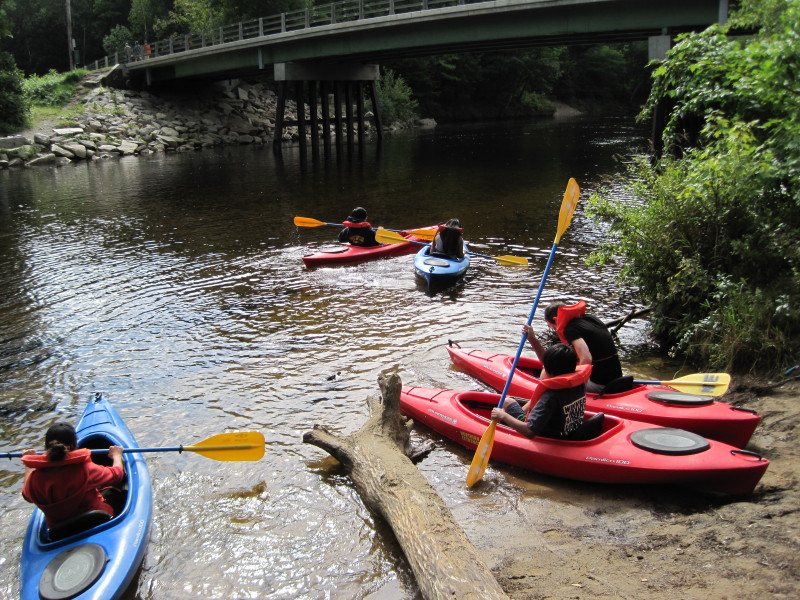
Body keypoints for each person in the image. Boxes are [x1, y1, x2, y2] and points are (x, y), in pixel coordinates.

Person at [21, 422, 125, 530]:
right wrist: (116, 455)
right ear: (72, 446)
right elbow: (117, 475)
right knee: (113, 493)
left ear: (47, 448)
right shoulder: (84, 469)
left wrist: (28, 467)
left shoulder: (35, 478)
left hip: (60, 530)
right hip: (96, 521)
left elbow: (27, 496)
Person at [491, 343, 590, 439]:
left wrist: (503, 415)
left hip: (546, 434)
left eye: (544, 366)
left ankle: (502, 433)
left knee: (508, 402)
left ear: (550, 372)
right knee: (511, 405)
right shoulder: (579, 384)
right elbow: (536, 403)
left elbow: (530, 431)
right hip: (566, 430)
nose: (542, 367)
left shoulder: (550, 397)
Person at [522, 300, 623, 394]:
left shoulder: (570, 330)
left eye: (553, 327)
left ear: (555, 320)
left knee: (546, 371)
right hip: (616, 378)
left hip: (599, 385)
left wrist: (577, 386)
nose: (556, 330)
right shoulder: (591, 319)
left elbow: (586, 359)